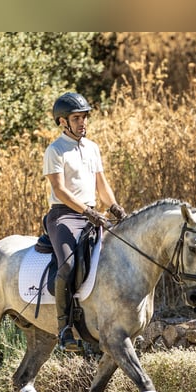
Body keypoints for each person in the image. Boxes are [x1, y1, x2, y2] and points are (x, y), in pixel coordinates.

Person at [43, 92, 127, 351]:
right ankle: (65, 328)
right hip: (63, 216)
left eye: (84, 117)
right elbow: (60, 190)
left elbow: (102, 184)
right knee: (67, 266)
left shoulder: (92, 148)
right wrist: (87, 211)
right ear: (63, 122)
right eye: (77, 118)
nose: (83, 123)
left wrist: (114, 207)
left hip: (91, 215)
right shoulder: (55, 150)